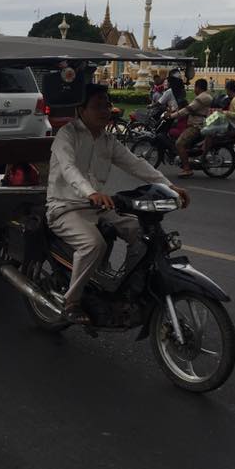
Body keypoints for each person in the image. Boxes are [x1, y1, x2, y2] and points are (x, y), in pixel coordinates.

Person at [46, 84, 189, 324]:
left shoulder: (107, 139)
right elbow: (69, 169)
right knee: (93, 245)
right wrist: (91, 192)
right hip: (65, 207)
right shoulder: (66, 135)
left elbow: (135, 163)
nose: (105, 111)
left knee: (142, 234)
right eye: (97, 106)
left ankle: (127, 287)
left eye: (107, 105)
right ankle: (71, 301)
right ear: (81, 110)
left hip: (96, 206)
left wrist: (169, 185)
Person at [166, 78, 213, 178]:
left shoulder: (201, 98)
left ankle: (187, 169)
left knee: (179, 143)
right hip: (199, 124)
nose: (194, 90)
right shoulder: (205, 96)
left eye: (195, 87)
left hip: (196, 126)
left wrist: (172, 116)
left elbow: (187, 109)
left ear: (198, 87)